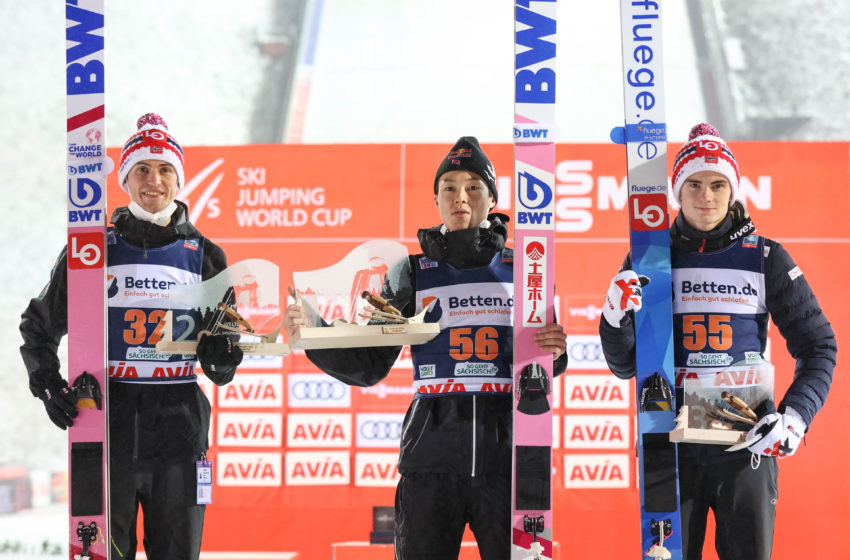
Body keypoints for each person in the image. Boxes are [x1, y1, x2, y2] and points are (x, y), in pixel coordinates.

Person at [284, 136, 568, 560]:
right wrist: (314, 334)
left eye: (474, 186)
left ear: (493, 197)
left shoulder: (527, 264)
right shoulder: (412, 270)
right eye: (449, 187)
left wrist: (555, 351)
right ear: (435, 199)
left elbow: (545, 361)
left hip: (509, 454)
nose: (461, 197)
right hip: (431, 454)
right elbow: (371, 364)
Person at [599, 123, 836, 560]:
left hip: (746, 442)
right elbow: (626, 365)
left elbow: (819, 345)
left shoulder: (765, 256)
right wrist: (614, 318)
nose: (705, 195)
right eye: (694, 184)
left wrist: (795, 419)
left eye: (716, 184)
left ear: (733, 191)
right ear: (677, 190)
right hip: (667, 442)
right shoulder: (650, 257)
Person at [20, 113, 243, 560]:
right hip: (108, 427)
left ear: (179, 179)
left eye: (164, 170)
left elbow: (224, 365)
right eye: (142, 168)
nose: (153, 181)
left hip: (179, 432)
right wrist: (49, 387)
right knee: (102, 553)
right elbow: (38, 326)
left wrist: (222, 355)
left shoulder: (205, 256)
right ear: (125, 177)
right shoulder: (91, 249)